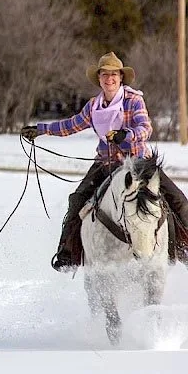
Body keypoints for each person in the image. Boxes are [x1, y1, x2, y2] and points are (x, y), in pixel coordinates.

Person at [21, 52, 188, 272]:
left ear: (121, 77)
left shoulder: (133, 100)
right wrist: (41, 130)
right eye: (104, 75)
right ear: (99, 79)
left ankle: (183, 248)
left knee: (178, 200)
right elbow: (71, 125)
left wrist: (125, 135)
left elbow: (145, 128)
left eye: (114, 74)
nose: (109, 79)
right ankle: (68, 254)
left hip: (138, 163)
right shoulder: (94, 106)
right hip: (106, 163)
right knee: (77, 200)